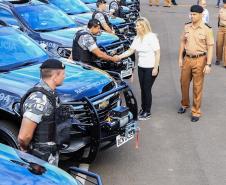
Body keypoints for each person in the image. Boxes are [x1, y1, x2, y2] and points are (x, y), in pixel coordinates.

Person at [18, 59, 70, 166]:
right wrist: (27, 151)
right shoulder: (39, 98)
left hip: (49, 152)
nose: (65, 76)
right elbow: (24, 137)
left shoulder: (50, 92)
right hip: (40, 157)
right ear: (55, 76)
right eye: (63, 74)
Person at [116, 17, 160, 120]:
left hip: (151, 67)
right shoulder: (137, 38)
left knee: (146, 89)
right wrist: (119, 56)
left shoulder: (151, 37)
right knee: (142, 89)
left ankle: (147, 111)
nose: (136, 27)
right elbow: (130, 51)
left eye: (138, 25)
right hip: (141, 67)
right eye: (136, 25)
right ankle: (143, 109)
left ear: (143, 26)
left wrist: (155, 67)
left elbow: (157, 53)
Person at [178, 5, 214, 122]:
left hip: (200, 59)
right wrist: (180, 58)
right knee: (183, 83)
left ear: (201, 15)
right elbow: (183, 41)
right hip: (187, 59)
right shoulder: (186, 26)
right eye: (191, 14)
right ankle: (184, 104)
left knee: (197, 87)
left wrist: (208, 64)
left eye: (194, 14)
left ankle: (196, 111)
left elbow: (210, 47)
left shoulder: (207, 29)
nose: (192, 16)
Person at [216, 0, 226, 66]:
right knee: (219, 44)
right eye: (224, 3)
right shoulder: (221, 10)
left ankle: (225, 63)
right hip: (221, 28)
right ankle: (218, 59)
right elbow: (219, 19)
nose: (224, 4)